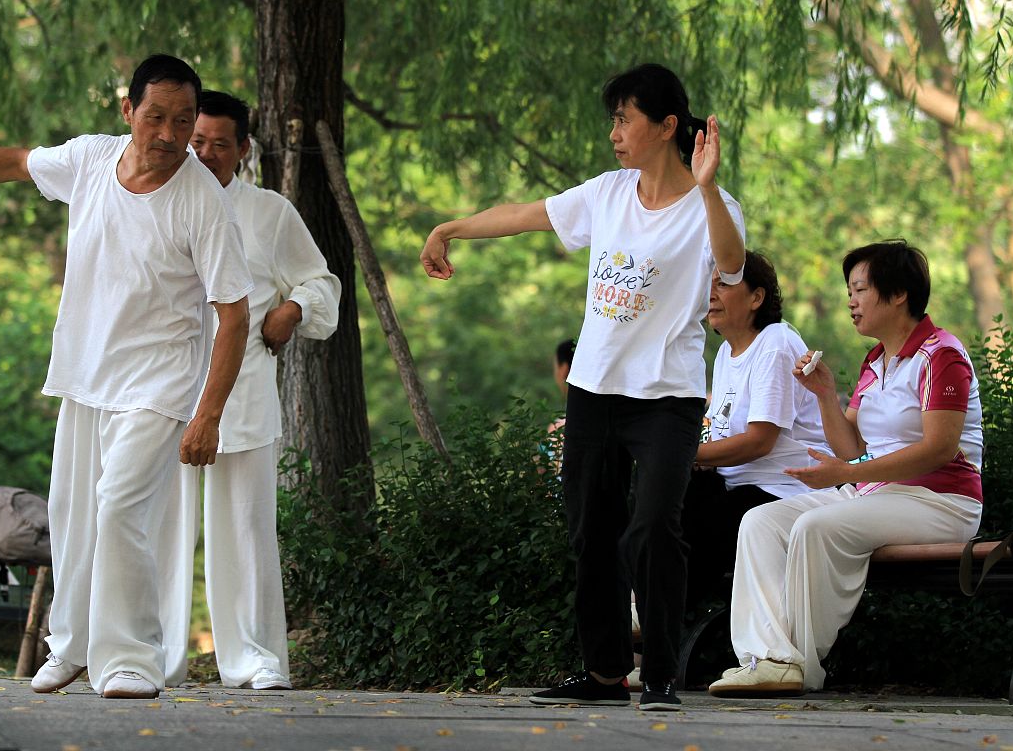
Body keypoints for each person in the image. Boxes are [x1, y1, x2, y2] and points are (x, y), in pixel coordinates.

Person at [0, 55, 253, 700]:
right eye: (156, 117)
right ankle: (72, 645)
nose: (169, 134)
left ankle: (132, 658)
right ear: (127, 111)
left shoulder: (203, 202)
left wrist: (209, 414)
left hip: (159, 384)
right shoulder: (90, 161)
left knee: (121, 512)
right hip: (86, 376)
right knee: (74, 519)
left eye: (184, 121)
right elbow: (14, 162)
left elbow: (234, 316)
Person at [420, 63, 746, 711]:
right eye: (615, 119)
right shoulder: (608, 193)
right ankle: (603, 676)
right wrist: (449, 228)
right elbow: (524, 214)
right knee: (591, 531)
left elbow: (732, 267)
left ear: (667, 126)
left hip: (668, 399)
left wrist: (708, 191)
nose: (615, 132)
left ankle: (658, 673)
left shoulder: (715, 207)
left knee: (653, 527)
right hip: (595, 393)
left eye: (625, 118)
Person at [708, 240, 983, 696]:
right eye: (849, 290)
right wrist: (822, 392)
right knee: (759, 522)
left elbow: (938, 449)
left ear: (898, 295)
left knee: (816, 526)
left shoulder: (942, 355)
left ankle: (793, 663)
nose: (850, 301)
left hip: (940, 501)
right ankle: (765, 657)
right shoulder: (875, 362)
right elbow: (851, 447)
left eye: (860, 289)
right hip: (878, 494)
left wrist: (849, 475)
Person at [155, 90, 340, 690]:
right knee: (156, 524)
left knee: (247, 529)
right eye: (196, 140)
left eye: (219, 144)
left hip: (246, 389)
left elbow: (321, 281)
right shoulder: (153, 201)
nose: (205, 154)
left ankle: (255, 657)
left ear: (243, 150)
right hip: (165, 389)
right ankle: (148, 656)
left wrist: (293, 307)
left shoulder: (269, 212)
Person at [682, 250, 826, 614]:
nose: (711, 293)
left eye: (724, 284)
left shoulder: (774, 343)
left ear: (756, 297)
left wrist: (681, 454)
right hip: (737, 486)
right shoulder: (725, 355)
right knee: (658, 505)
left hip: (783, 490)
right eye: (709, 285)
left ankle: (657, 628)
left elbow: (761, 441)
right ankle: (646, 625)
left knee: (694, 522)